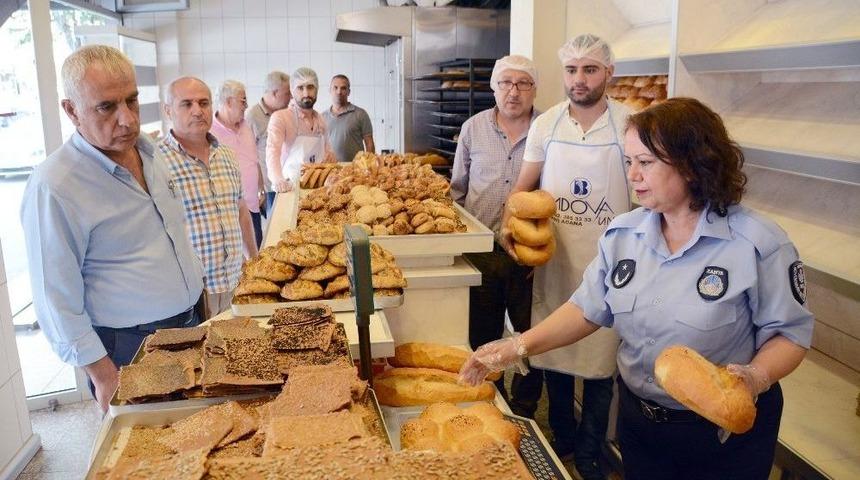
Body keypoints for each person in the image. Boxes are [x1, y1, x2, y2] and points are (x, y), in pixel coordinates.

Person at [461, 97, 815, 480]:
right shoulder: (624, 234)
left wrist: (755, 376)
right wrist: (516, 345)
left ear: (693, 164)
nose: (632, 175)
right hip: (640, 422)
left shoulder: (758, 243)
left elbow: (789, 335)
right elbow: (586, 308)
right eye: (628, 162)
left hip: (717, 435)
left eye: (645, 163)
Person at [20, 45, 204, 412]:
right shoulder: (55, 185)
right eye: (106, 107)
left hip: (191, 323)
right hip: (129, 345)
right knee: (154, 458)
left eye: (132, 101)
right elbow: (55, 300)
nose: (127, 120)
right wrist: (103, 375)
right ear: (71, 110)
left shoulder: (150, 152)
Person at [499, 34, 633, 478]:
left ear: (608, 73)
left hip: (611, 264)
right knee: (555, 349)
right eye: (572, 70)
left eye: (590, 69)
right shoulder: (549, 124)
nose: (579, 79)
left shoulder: (629, 126)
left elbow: (643, 204)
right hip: (556, 262)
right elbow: (523, 190)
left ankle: (590, 454)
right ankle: (562, 436)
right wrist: (508, 226)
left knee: (600, 362)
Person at [450, 55, 540, 400]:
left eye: (523, 83)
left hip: (528, 253)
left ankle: (526, 405)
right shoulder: (473, 127)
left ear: (534, 89)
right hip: (482, 249)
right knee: (483, 331)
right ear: (494, 87)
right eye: (505, 83)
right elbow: (458, 189)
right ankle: (489, 397)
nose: (513, 91)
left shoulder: (548, 129)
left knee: (529, 334)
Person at [158, 76, 258, 319]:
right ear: (168, 110)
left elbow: (241, 210)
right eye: (187, 104)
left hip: (235, 283)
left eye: (204, 103)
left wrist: (254, 261)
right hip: (193, 295)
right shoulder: (156, 162)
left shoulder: (226, 155)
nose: (197, 111)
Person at [211, 80, 264, 247]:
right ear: (228, 102)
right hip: (229, 212)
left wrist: (261, 187)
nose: (246, 106)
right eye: (243, 101)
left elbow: (253, 160)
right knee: (239, 262)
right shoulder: (209, 132)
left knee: (257, 255)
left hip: (252, 206)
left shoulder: (245, 126)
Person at [266, 67, 336, 193]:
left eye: (310, 87)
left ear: (317, 90)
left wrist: (330, 159)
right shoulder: (281, 118)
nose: (306, 93)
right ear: (292, 91)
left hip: (318, 190)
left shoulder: (321, 120)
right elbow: (272, 152)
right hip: (289, 189)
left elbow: (329, 153)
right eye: (300, 88)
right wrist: (278, 180)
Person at [246, 71, 291, 214]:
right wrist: (259, 189)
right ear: (275, 93)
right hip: (270, 188)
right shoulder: (252, 116)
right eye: (287, 93)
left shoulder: (287, 113)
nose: (291, 98)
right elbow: (250, 157)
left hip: (290, 182)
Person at [322, 74, 375, 163]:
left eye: (343, 88)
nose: (339, 92)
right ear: (330, 90)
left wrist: (369, 165)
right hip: (331, 170)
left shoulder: (360, 114)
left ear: (348, 92)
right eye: (335, 87)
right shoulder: (322, 117)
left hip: (355, 170)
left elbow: (369, 143)